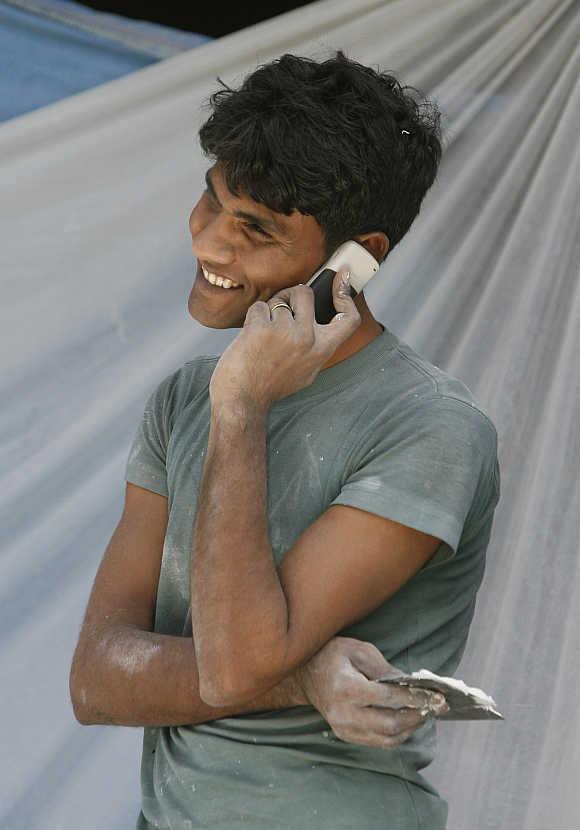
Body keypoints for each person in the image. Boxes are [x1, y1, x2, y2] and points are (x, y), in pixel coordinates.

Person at [69, 52, 500, 829]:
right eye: (212, 201)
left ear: (359, 256)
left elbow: (232, 665)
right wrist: (304, 680)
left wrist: (241, 407)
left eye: (255, 229)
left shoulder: (431, 427)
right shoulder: (179, 403)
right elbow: (98, 681)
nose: (210, 245)